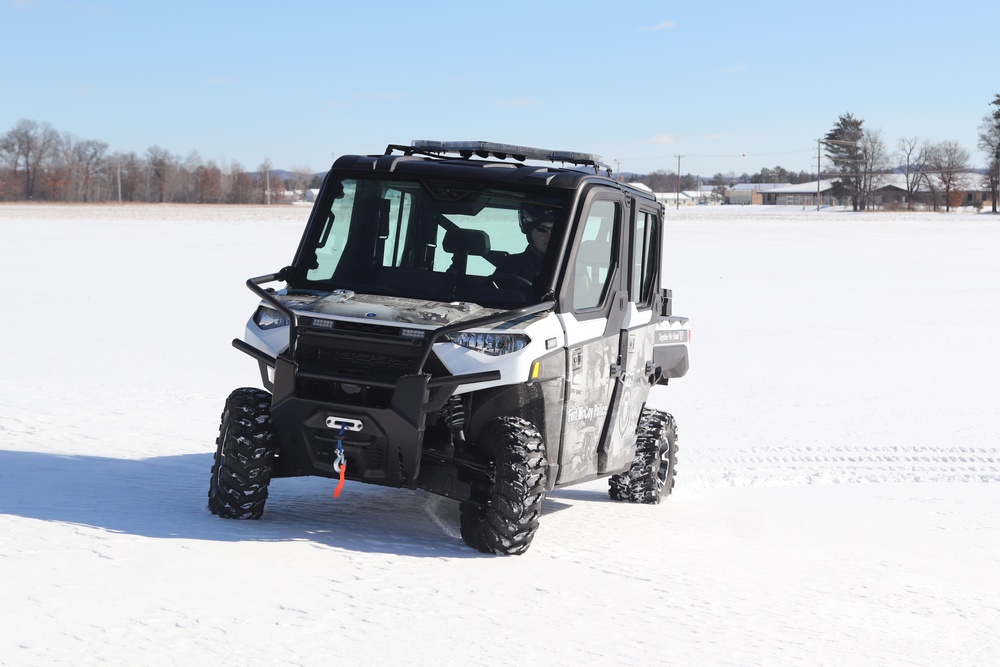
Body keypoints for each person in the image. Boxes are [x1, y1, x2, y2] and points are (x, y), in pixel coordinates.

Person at [494, 206, 558, 280]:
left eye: (554, 229)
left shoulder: (569, 266)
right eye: (542, 229)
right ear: (530, 233)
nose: (549, 235)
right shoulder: (510, 265)